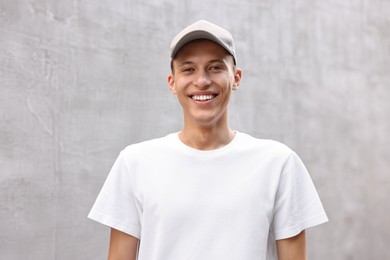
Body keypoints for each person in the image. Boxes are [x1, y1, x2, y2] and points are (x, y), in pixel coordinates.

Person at [88, 20, 328, 260]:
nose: (201, 80)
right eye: (188, 69)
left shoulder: (278, 163)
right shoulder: (135, 163)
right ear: (172, 82)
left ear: (236, 78)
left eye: (215, 67)